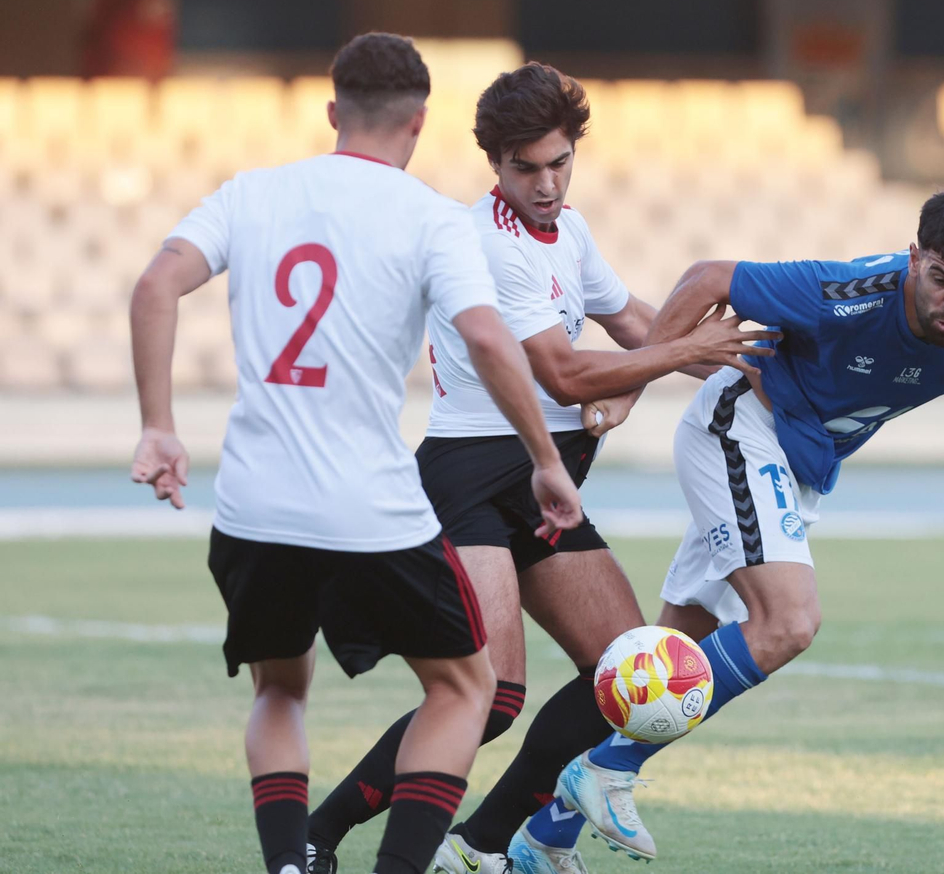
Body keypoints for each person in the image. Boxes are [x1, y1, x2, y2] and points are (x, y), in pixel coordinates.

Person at [127, 33, 583, 874]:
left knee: (279, 689)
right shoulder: (432, 217)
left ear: (334, 109)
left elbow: (155, 283)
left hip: (255, 504)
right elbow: (489, 338)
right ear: (419, 122)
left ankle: (288, 863)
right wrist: (545, 459)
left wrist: (158, 425)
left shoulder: (252, 193)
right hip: (371, 508)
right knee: (465, 687)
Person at [301, 61, 768, 874]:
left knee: (624, 677)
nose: (547, 184)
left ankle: (482, 843)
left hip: (542, 487)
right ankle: (319, 834)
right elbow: (566, 374)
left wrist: (752, 367)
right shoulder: (488, 243)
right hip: (469, 485)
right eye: (527, 168)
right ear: (495, 163)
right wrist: (689, 348)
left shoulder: (569, 231)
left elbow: (637, 325)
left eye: (560, 162)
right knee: (489, 697)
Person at [502, 188, 944, 865]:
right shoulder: (847, 293)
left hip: (796, 466)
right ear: (913, 256)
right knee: (788, 621)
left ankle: (543, 839)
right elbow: (708, 278)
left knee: (670, 658)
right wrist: (629, 389)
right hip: (742, 430)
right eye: (940, 279)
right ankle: (609, 768)